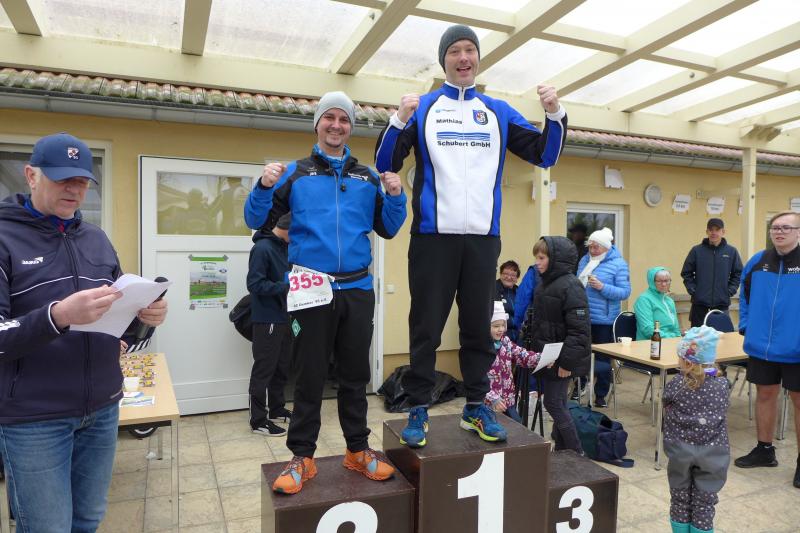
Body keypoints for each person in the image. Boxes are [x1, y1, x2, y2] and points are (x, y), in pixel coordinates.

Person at [374, 24, 568, 448]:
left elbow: (545, 154)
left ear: (478, 58)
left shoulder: (497, 111)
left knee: (479, 326)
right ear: (443, 60)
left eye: (470, 50)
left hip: (482, 238)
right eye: (455, 51)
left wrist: (554, 115)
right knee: (426, 327)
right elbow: (385, 162)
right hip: (433, 236)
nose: (463, 58)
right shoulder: (425, 107)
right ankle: (418, 407)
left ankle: (476, 406)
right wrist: (398, 120)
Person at [0, 133, 168, 532]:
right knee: (47, 527)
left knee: (88, 520)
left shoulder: (96, 238)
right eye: (62, 179)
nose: (74, 190)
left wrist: (146, 315)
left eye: (81, 181)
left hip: (103, 408)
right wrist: (57, 316)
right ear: (31, 176)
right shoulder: (4, 238)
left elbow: (121, 322)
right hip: (34, 418)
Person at [244, 91, 407, 494]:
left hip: (357, 287)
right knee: (309, 375)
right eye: (329, 118)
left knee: (355, 375)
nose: (336, 125)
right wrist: (263, 186)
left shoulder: (367, 177)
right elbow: (254, 218)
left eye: (344, 119)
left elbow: (388, 227)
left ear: (350, 127)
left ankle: (357, 450)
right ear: (317, 124)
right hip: (310, 287)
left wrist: (396, 196)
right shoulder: (295, 173)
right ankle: (303, 456)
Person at [734, 211, 800, 490]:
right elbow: (744, 296)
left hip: (796, 347)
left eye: (786, 227)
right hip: (762, 346)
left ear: (798, 232)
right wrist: (746, 325)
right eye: (775, 227)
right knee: (765, 394)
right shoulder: (757, 262)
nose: (779, 232)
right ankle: (764, 450)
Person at [527, 237, 591, 453]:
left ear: (555, 259)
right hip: (549, 356)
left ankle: (576, 451)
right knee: (560, 402)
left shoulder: (571, 286)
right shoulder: (545, 283)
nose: (537, 262)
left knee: (553, 403)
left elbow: (579, 330)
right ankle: (563, 450)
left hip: (561, 358)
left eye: (541, 258)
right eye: (536, 258)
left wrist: (566, 362)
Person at [663, 326, 729, 533]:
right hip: (714, 453)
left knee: (680, 498)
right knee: (705, 502)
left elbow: (666, 400)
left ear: (688, 361)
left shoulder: (676, 384)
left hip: (680, 450)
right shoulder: (722, 385)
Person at [246, 212, 293, 437]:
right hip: (267, 319)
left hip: (285, 317)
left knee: (281, 368)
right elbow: (254, 284)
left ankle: (277, 409)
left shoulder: (285, 248)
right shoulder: (262, 248)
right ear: (288, 229)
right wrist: (286, 288)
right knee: (263, 370)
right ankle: (258, 421)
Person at [575, 227, 630, 407]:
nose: (592, 250)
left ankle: (600, 394)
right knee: (580, 354)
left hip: (604, 320)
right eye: (590, 246)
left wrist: (602, 287)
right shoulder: (584, 260)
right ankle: (579, 386)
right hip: (582, 316)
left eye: (596, 247)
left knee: (603, 358)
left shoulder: (619, 264)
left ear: (606, 247)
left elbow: (625, 292)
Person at [486, 301, 542, 425]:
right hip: (489, 404)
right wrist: (492, 398)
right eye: (495, 326)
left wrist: (540, 358)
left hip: (507, 400)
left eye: (503, 325)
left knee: (517, 427)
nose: (501, 329)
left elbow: (522, 355)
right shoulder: (482, 348)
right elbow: (478, 378)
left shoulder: (505, 342)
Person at [681, 218, 743, 327]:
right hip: (699, 304)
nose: (713, 233)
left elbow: (738, 274)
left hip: (721, 304)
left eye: (717, 230)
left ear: (723, 232)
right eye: (711, 230)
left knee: (721, 335)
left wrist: (729, 290)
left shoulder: (731, 252)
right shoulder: (696, 251)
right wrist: (694, 290)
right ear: (707, 231)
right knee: (698, 336)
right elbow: (686, 272)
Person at [634, 267, 682, 340]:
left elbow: (676, 328)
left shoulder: (669, 301)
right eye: (659, 281)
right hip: (650, 343)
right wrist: (670, 339)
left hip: (670, 341)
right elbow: (648, 329)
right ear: (652, 282)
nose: (664, 284)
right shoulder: (644, 300)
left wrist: (679, 339)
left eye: (667, 281)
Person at [495, 260, 520, 339]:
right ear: (500, 274)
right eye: (506, 274)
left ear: (517, 278)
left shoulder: (520, 292)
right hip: (500, 337)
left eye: (513, 275)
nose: (509, 277)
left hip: (518, 337)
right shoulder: (493, 290)